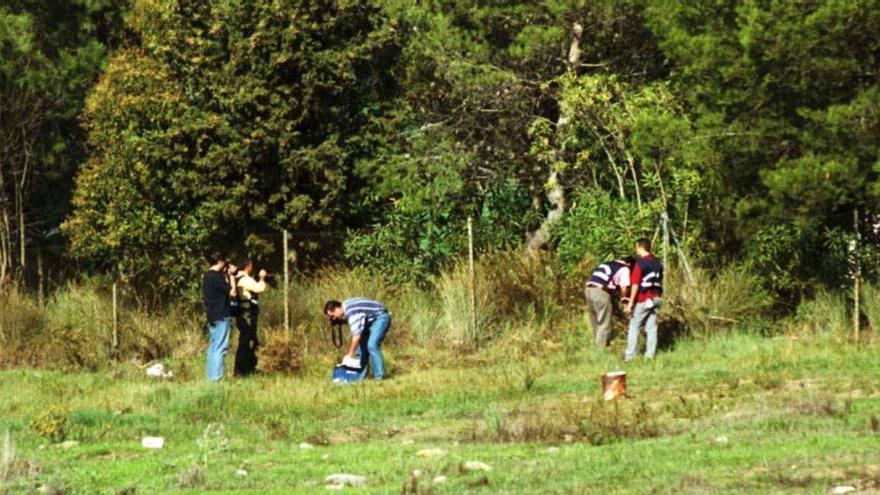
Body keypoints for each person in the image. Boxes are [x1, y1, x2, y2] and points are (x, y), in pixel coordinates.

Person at [323, 298, 391, 381]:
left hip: (380, 318)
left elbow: (356, 335)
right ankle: (361, 378)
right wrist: (341, 322)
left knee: (372, 345)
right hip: (369, 322)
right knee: (361, 350)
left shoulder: (351, 311)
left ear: (337, 309)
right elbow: (360, 319)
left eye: (333, 316)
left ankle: (379, 377)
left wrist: (350, 354)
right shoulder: (346, 307)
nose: (333, 319)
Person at [624, 238, 664, 362]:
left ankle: (630, 356)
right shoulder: (657, 263)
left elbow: (635, 284)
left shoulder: (640, 263)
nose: (636, 250)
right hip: (657, 297)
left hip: (644, 298)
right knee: (651, 327)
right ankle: (650, 356)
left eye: (636, 247)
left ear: (640, 247)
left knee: (634, 326)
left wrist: (630, 302)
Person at [585, 256, 633, 348]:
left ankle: (595, 344)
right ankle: (600, 349)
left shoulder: (607, 263)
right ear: (629, 264)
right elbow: (624, 287)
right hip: (601, 292)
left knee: (595, 320)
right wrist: (625, 300)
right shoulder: (624, 268)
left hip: (589, 290)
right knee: (604, 322)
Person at [203, 253, 237, 382]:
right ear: (220, 261)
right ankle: (216, 378)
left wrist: (226, 276)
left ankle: (211, 377)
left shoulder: (207, 276)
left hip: (212, 315)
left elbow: (222, 289)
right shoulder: (216, 277)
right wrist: (232, 276)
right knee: (220, 347)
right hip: (221, 315)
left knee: (213, 347)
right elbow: (232, 292)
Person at [233, 258, 268, 377]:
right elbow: (259, 288)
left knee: (246, 341)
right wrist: (262, 278)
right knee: (247, 342)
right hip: (247, 315)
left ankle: (244, 368)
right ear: (247, 266)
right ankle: (243, 369)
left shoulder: (236, 278)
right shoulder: (245, 279)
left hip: (240, 314)